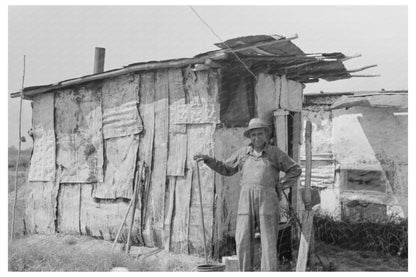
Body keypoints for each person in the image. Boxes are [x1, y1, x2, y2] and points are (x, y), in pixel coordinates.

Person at [194, 118, 302, 271]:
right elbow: (225, 168)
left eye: (259, 134)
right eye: (253, 135)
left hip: (268, 200)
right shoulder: (243, 153)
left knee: (268, 241)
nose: (256, 138)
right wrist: (208, 160)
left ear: (266, 134)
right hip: (246, 199)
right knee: (243, 238)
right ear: (250, 137)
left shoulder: (274, 153)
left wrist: (281, 184)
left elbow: (295, 169)